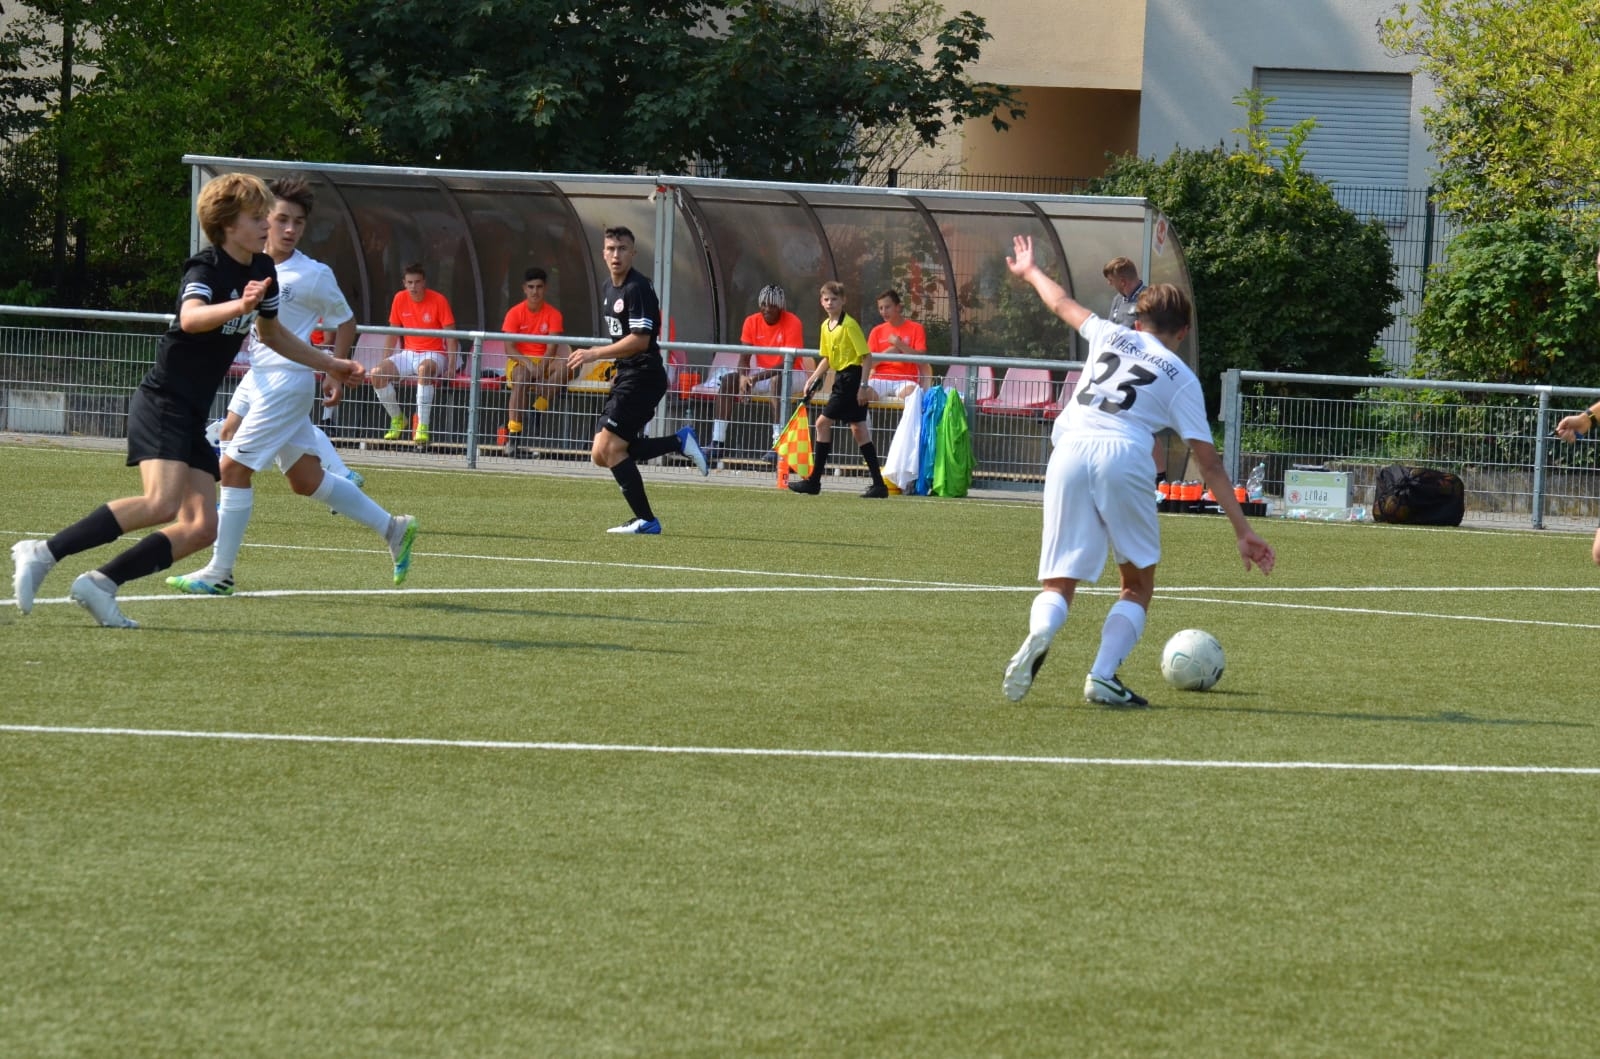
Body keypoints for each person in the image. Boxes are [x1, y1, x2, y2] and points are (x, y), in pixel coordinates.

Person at [9, 173, 363, 628]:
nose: (267, 226)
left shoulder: (262, 270)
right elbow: (192, 318)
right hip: (164, 401)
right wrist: (239, 307)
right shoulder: (206, 268)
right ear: (228, 224)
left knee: (201, 527)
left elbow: (273, 334)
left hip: (192, 411)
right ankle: (42, 552)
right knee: (161, 502)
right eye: (257, 218)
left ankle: (100, 584)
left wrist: (331, 363)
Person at [1001, 234, 1275, 706]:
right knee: (1136, 584)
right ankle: (1102, 675)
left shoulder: (1110, 334)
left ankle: (1041, 631)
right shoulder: (1181, 378)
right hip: (1124, 454)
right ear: (1182, 332)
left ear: (1137, 320)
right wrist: (1242, 530)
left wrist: (1031, 271)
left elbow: (1061, 302)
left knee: (1059, 581)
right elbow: (1209, 463)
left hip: (1069, 447)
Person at [164, 176, 419, 597]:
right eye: (281, 219)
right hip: (259, 377)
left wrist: (334, 371)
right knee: (305, 479)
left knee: (232, 469)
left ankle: (220, 572)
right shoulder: (249, 264)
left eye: (298, 222)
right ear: (262, 218)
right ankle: (393, 528)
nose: (289, 229)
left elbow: (345, 321)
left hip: (287, 382)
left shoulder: (313, 273)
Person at [566, 225, 708, 534]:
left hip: (644, 376)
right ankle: (678, 442)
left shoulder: (637, 288)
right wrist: (616, 367)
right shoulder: (608, 288)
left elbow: (640, 340)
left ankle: (647, 520)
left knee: (610, 448)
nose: (616, 254)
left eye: (622, 249)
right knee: (600, 454)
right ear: (603, 253)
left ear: (633, 253)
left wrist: (595, 354)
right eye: (611, 249)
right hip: (628, 376)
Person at [786, 281, 890, 498]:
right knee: (859, 429)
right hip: (841, 378)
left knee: (822, 423)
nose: (830, 303)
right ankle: (879, 485)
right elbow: (827, 358)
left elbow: (866, 357)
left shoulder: (849, 325)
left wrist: (863, 386)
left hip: (851, 379)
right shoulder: (825, 326)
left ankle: (814, 481)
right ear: (821, 301)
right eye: (826, 299)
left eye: (834, 299)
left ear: (843, 301)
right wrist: (813, 378)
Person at [705, 284, 808, 463]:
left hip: (793, 373)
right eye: (763, 304)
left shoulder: (793, 322)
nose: (767, 308)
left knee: (777, 381)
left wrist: (754, 378)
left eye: (772, 305)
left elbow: (787, 363)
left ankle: (778, 444)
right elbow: (744, 358)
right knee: (729, 380)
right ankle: (717, 442)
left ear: (781, 306)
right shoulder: (751, 321)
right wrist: (743, 378)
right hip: (762, 374)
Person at [370, 262, 458, 446]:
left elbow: (451, 335)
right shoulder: (399, 298)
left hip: (434, 354)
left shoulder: (439, 300)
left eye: (417, 282)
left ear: (424, 282)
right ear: (404, 283)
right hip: (408, 354)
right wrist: (385, 359)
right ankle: (397, 418)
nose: (413, 287)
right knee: (376, 373)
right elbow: (393, 332)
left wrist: (451, 366)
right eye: (409, 282)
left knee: (424, 370)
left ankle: (422, 426)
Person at [500, 266, 572, 456]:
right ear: (524, 288)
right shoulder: (514, 313)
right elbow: (510, 349)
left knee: (568, 366)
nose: (535, 292)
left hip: (545, 360)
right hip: (521, 362)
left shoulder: (554, 314)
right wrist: (531, 366)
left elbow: (552, 347)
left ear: (545, 288)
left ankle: (538, 407)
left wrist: (540, 369)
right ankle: (513, 437)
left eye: (539, 287)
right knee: (521, 378)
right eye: (531, 287)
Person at [863, 289, 931, 402]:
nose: (884, 311)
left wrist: (899, 344)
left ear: (898, 307)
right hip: (879, 379)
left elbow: (921, 360)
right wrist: (888, 353)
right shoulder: (876, 331)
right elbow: (867, 364)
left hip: (906, 380)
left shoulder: (916, 328)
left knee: (913, 395)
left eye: (887, 307)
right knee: (862, 393)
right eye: (881, 308)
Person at [1103, 256, 1145, 329]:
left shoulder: (1149, 299)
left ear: (1123, 282)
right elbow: (1110, 328)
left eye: (1111, 280)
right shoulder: (1118, 299)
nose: (1109, 283)